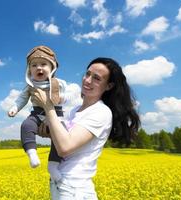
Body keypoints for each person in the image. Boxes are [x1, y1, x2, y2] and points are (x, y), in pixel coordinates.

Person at [32, 57, 140, 200]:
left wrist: (48, 106)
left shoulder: (101, 112)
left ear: (108, 86)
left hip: (74, 189)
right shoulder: (75, 110)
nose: (87, 80)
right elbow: (66, 141)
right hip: (60, 185)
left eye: (96, 78)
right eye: (87, 74)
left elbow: (65, 147)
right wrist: (50, 132)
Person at [8, 45, 68, 181]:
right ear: (29, 70)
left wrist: (60, 96)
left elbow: (66, 97)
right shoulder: (30, 86)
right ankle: (32, 154)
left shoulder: (59, 83)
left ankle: (53, 165)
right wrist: (14, 108)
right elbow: (21, 99)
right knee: (25, 126)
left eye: (43, 64)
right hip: (37, 115)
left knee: (61, 138)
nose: (39, 68)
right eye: (34, 65)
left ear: (52, 68)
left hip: (56, 116)